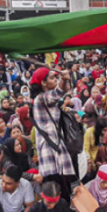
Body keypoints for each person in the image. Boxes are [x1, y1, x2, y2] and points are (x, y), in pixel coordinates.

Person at [31, 67, 77, 201]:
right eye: (52, 78)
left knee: (66, 195)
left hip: (57, 154)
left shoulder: (48, 99)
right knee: (58, 198)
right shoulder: (41, 99)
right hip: (50, 155)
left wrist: (65, 79)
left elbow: (63, 90)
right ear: (43, 83)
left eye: (56, 78)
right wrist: (63, 78)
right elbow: (59, 91)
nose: (55, 80)